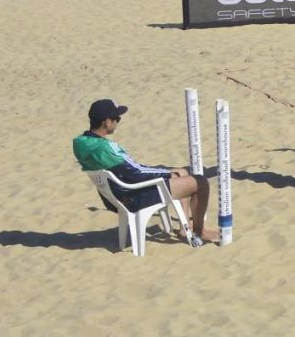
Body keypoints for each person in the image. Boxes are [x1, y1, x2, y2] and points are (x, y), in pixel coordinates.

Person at [71, 99, 215, 244]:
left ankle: (185, 228)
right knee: (200, 182)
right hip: (133, 197)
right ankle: (199, 231)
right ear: (107, 122)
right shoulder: (106, 148)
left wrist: (169, 171)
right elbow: (137, 173)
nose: (118, 122)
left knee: (181, 173)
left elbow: (131, 171)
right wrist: (168, 173)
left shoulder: (81, 144)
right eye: (117, 119)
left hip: (114, 197)